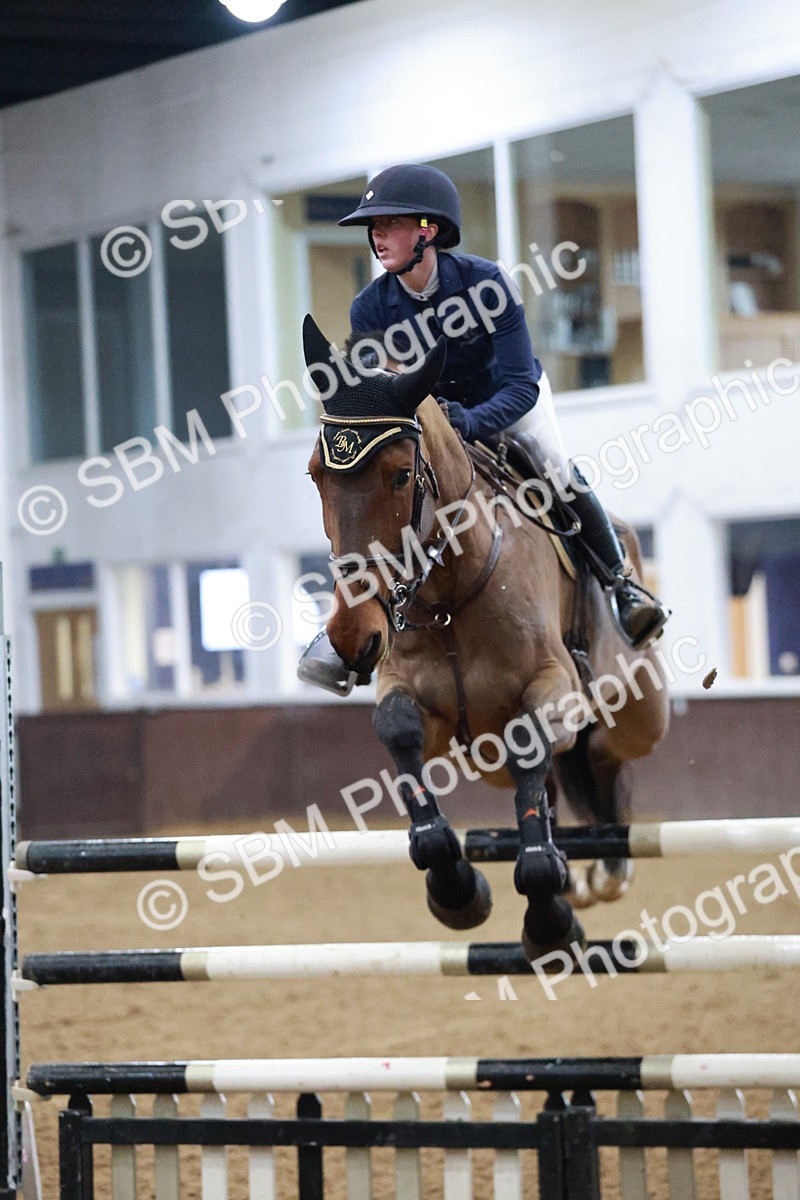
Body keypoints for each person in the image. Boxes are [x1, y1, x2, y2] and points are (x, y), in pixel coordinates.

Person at [298, 163, 668, 693]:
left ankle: (623, 585)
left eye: (391, 224)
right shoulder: (370, 307)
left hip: (508, 404)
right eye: (373, 226)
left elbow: (520, 385)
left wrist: (470, 421)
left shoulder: (486, 284)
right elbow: (385, 397)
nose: (377, 236)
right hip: (433, 424)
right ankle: (347, 623)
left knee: (558, 472)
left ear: (427, 231)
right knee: (372, 497)